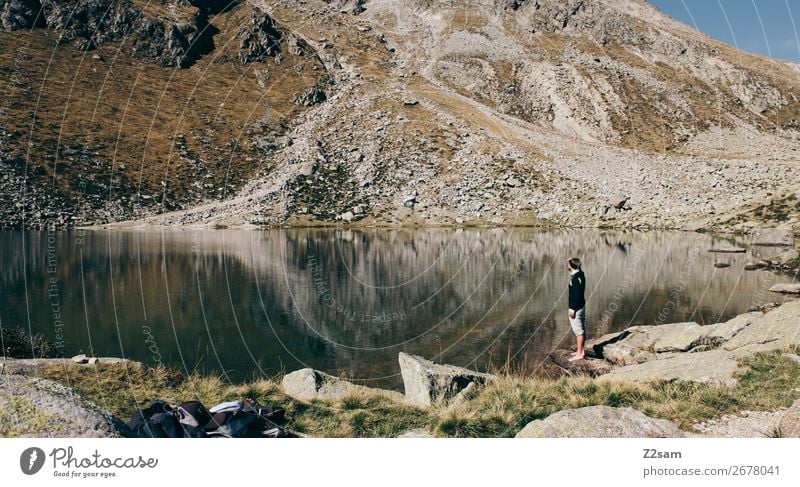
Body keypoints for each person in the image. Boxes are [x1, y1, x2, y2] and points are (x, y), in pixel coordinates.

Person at [567, 257, 587, 362]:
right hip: (581, 306)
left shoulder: (575, 279)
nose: (567, 267)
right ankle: (581, 350)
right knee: (582, 329)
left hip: (576, 308)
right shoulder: (581, 274)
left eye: (569, 265)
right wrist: (571, 260)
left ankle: (579, 354)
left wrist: (572, 309)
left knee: (578, 332)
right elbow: (576, 266)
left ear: (571, 267)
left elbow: (576, 296)